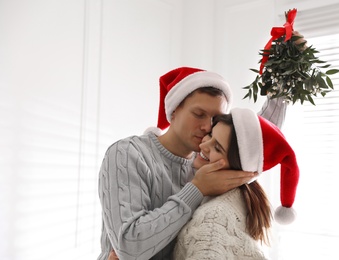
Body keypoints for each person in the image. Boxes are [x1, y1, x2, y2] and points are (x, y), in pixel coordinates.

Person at [98, 67, 259, 260]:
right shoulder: (127, 153)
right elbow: (129, 246)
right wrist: (196, 189)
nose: (207, 126)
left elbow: (254, 143)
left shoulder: (206, 166)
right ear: (174, 111)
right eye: (199, 114)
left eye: (214, 119)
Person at [173, 107, 300, 259]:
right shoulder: (244, 195)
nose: (203, 145)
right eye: (211, 134)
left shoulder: (213, 218)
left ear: (238, 167)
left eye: (217, 148)